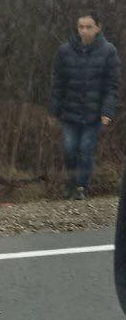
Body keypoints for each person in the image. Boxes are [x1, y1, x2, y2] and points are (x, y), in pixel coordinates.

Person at [49, 12, 121, 200]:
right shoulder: (65, 51)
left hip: (94, 113)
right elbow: (58, 84)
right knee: (69, 148)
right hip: (69, 111)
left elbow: (112, 85)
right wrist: (53, 110)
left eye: (89, 27)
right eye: (81, 27)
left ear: (98, 28)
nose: (84, 31)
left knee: (86, 148)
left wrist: (107, 111)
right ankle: (72, 181)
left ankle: (81, 186)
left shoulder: (108, 51)